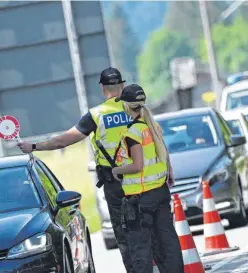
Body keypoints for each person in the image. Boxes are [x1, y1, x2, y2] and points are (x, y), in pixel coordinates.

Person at [16, 67, 163, 272]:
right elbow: (157, 140)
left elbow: (62, 140)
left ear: (103, 89)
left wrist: (33, 147)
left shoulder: (96, 115)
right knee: (151, 231)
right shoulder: (138, 109)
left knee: (125, 236)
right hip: (145, 181)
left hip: (115, 184)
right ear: (122, 86)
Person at [111, 84, 184, 273]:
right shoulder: (153, 126)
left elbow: (137, 165)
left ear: (127, 106)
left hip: (141, 198)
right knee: (167, 241)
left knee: (140, 247)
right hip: (160, 191)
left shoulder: (133, 132)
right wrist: (169, 174)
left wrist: (117, 171)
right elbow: (163, 153)